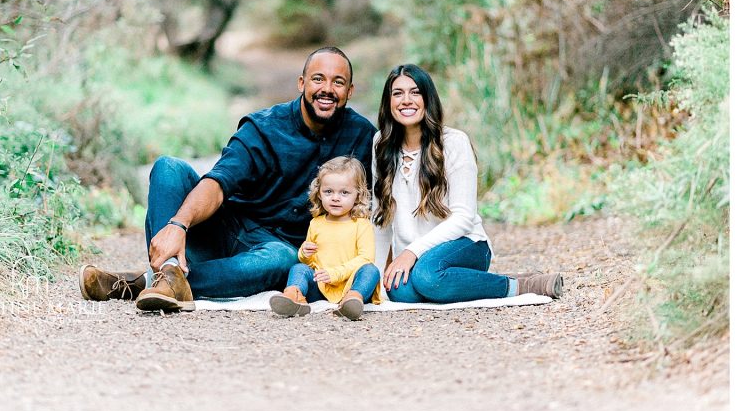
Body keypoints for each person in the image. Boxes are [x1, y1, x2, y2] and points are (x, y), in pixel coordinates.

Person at [79, 46, 377, 311]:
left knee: (285, 260)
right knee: (168, 167)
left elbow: (393, 183)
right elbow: (219, 183)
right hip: (223, 229)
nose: (327, 89)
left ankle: (152, 282)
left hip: (273, 253)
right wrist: (178, 224)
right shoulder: (263, 127)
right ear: (301, 83)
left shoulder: (362, 136)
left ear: (350, 91)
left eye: (338, 82)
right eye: (318, 79)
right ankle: (168, 272)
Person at [372, 64, 563, 303]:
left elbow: (463, 217)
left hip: (465, 245)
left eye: (415, 92)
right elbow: (380, 217)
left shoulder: (454, 142)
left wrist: (411, 252)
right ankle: (466, 282)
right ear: (388, 101)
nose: (406, 100)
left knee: (428, 277)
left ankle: (520, 284)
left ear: (427, 99)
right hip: (419, 258)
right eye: (397, 93)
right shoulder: (381, 143)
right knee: (400, 291)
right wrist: (377, 278)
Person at [269, 156, 382, 321]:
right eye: (328, 191)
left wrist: (335, 273)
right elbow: (310, 263)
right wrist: (304, 254)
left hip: (350, 283)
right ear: (319, 193)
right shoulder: (316, 223)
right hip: (321, 285)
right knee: (298, 268)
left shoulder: (361, 224)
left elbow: (365, 258)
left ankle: (352, 300)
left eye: (344, 192)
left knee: (371, 270)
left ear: (357, 195)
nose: (335, 198)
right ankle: (294, 296)